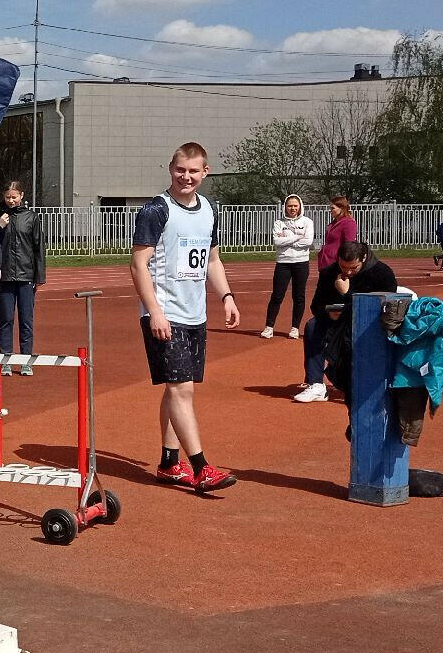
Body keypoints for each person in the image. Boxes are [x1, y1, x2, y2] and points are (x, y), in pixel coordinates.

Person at [130, 142, 240, 494]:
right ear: (170, 169)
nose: (186, 177)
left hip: (195, 315)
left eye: (193, 171)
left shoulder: (209, 209)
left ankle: (167, 461)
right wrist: (155, 312)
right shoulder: (155, 210)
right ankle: (201, 467)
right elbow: (138, 265)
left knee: (174, 388)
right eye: (181, 170)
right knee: (182, 389)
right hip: (164, 314)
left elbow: (212, 259)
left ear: (205, 173)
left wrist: (227, 297)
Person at [293, 241, 399, 403]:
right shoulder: (329, 272)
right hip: (338, 321)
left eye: (353, 268)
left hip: (370, 323)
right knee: (312, 326)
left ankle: (370, 382)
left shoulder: (382, 273)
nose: (348, 272)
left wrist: (347, 293)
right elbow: (316, 305)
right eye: (343, 267)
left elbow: (384, 307)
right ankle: (316, 384)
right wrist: (329, 314)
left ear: (363, 258)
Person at [0, 180, 45, 376]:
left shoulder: (31, 218)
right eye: (8, 197)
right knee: (6, 319)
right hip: (5, 276)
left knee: (26, 320)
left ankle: (26, 360)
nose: (11, 200)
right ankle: (6, 359)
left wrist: (39, 276)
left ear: (22, 196)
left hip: (26, 276)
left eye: (14, 197)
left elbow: (38, 247)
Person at [263, 194, 313, 339]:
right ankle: (269, 327)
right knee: (277, 295)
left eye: (295, 206)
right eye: (290, 205)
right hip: (283, 262)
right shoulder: (279, 222)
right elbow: (277, 242)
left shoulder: (307, 222)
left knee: (299, 296)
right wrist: (297, 237)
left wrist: (288, 240)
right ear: (285, 206)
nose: (292, 208)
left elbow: (308, 241)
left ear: (300, 207)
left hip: (301, 262)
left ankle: (295, 328)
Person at [318, 196, 357, 274]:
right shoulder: (334, 223)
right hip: (326, 262)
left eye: (333, 208)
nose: (330, 211)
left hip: (337, 263)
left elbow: (349, 245)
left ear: (341, 208)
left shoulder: (348, 223)